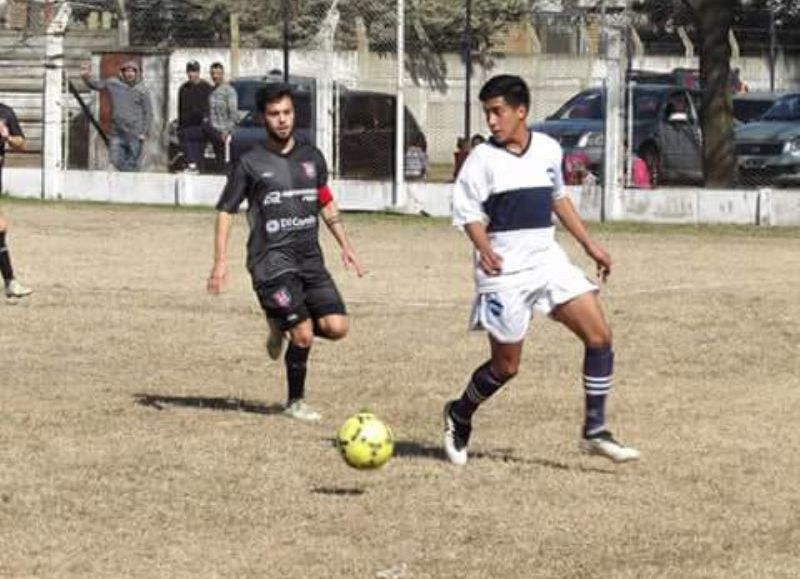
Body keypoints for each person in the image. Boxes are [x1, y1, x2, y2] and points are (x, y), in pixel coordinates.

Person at [443, 74, 640, 466]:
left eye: (498, 112)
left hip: (547, 260)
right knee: (506, 367)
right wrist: (483, 248)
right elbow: (467, 212)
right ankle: (459, 413)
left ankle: (595, 429)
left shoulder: (548, 149)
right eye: (487, 113)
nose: (492, 122)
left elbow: (558, 199)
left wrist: (589, 245)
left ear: (521, 111)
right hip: (505, 273)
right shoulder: (482, 159)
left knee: (600, 336)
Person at [207, 83, 365, 422]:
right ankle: (295, 401)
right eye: (274, 114)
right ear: (263, 118)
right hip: (270, 262)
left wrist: (345, 244)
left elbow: (324, 198)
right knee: (304, 333)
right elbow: (225, 212)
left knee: (337, 327)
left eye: (287, 113)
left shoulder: (312, 157)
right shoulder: (249, 162)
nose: (282, 120)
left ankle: (280, 324)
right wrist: (220, 262)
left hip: (309, 259)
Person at [80, 60, 152, 172]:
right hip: (117, 132)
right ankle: (128, 177)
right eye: (127, 71)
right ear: (122, 73)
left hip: (135, 133)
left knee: (133, 161)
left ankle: (129, 183)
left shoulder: (142, 90)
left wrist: (144, 131)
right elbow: (96, 85)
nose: (129, 73)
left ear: (137, 73)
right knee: (115, 159)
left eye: (132, 71)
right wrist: (86, 76)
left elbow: (148, 112)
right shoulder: (113, 83)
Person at [0, 102, 31, 298]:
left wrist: (6, 137)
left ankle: (10, 282)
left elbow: (21, 143)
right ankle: (10, 282)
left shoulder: (5, 112)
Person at [178, 60, 213, 173]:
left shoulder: (206, 88)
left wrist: (206, 125)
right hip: (186, 127)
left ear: (198, 72)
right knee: (189, 158)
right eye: (189, 71)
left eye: (194, 71)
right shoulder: (184, 88)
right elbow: (180, 108)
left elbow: (209, 109)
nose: (191, 74)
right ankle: (191, 167)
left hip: (199, 127)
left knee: (199, 157)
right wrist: (180, 126)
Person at [207, 62, 238, 172]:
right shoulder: (211, 91)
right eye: (213, 73)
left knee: (225, 164)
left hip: (224, 134)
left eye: (218, 73)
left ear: (222, 74)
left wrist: (227, 131)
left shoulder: (229, 91)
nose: (215, 76)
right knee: (217, 164)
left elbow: (233, 114)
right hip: (213, 131)